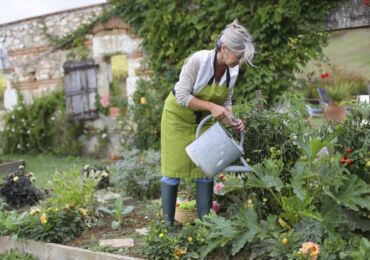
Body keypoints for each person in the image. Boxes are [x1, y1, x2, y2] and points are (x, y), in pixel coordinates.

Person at [160, 20, 255, 226]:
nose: (239, 61)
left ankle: (206, 226)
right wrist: (212, 106)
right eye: (238, 56)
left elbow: (226, 101)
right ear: (224, 48)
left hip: (204, 121)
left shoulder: (233, 71)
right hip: (178, 118)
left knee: (206, 168)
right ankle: (168, 226)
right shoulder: (198, 61)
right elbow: (182, 96)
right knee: (172, 171)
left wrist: (233, 120)